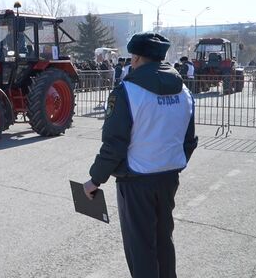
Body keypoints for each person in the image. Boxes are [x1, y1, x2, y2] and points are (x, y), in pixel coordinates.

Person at [83, 32, 198, 278]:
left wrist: (95, 179)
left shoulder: (127, 91)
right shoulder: (185, 92)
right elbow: (189, 141)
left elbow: (114, 144)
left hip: (136, 180)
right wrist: (171, 163)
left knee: (141, 248)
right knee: (164, 241)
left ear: (135, 58)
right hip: (168, 177)